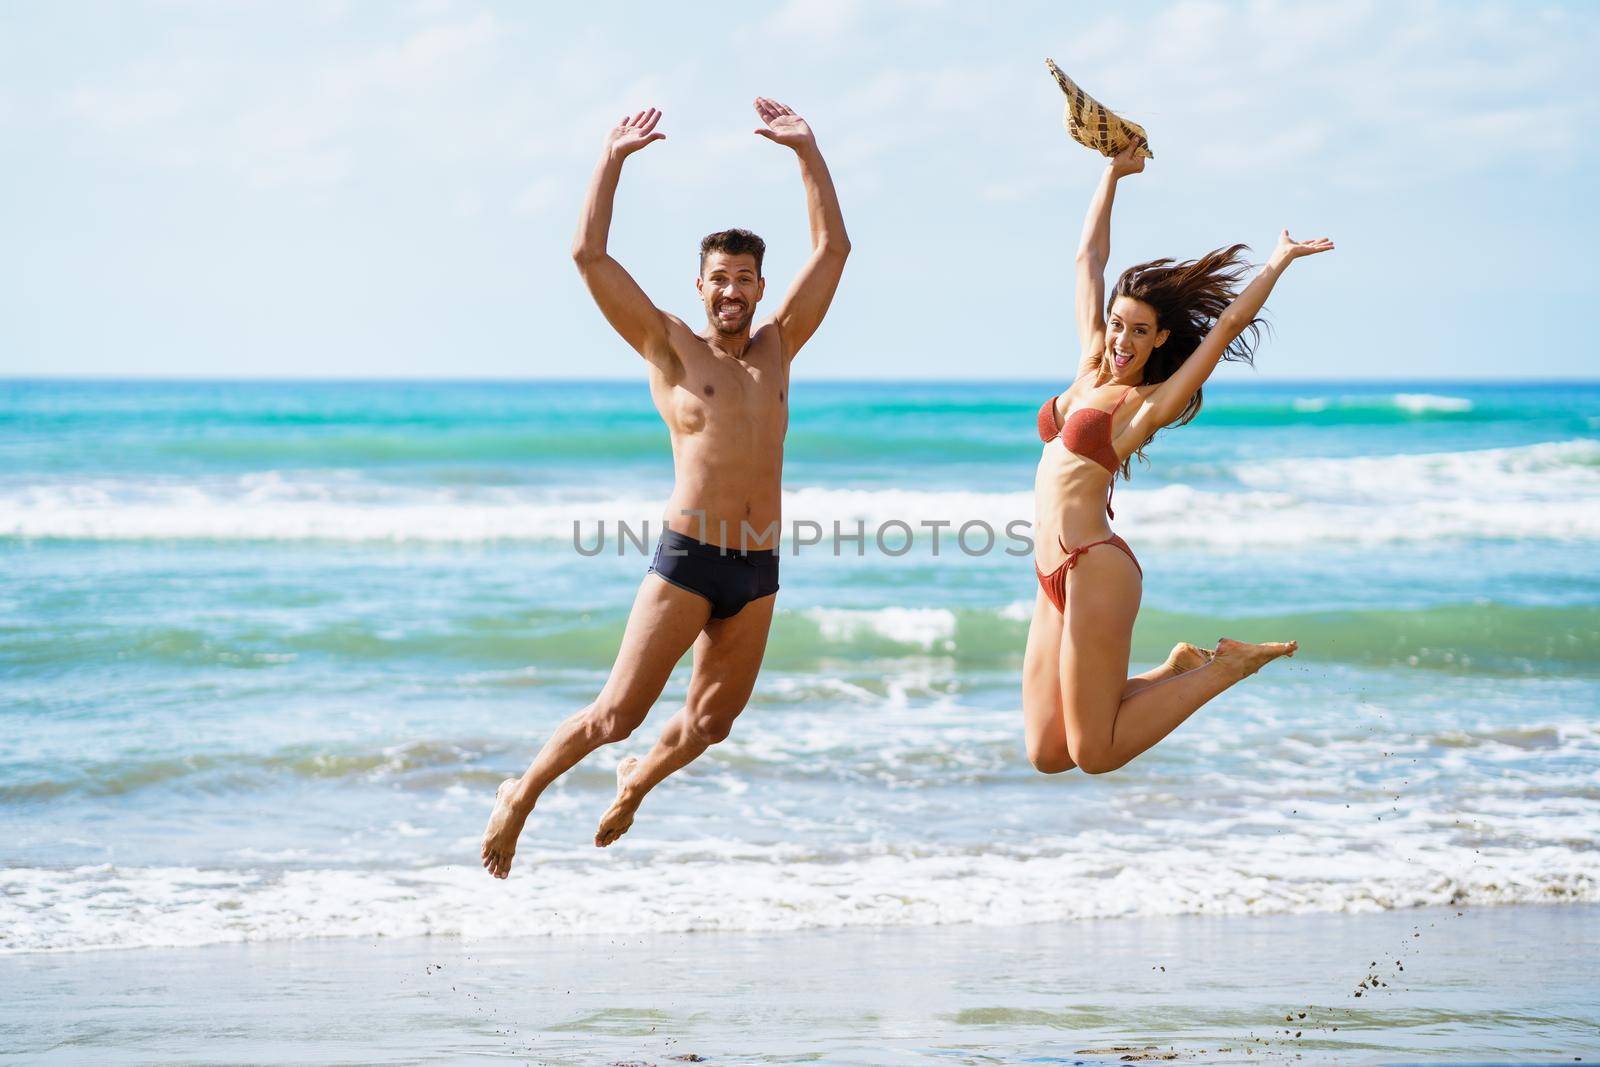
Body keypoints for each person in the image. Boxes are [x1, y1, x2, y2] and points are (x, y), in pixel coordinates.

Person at [480, 99, 849, 878]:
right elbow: (587, 255)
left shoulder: (780, 347)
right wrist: (612, 160)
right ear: (702, 283)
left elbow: (835, 246)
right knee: (617, 714)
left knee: (713, 722)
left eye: (745, 279)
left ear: (758, 286)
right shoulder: (670, 345)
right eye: (720, 278)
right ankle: (522, 792)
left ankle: (637, 779)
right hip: (688, 560)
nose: (732, 291)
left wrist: (807, 152)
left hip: (758, 567)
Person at [1023, 140, 1332, 775]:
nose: (1122, 340)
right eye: (1118, 324)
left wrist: (1277, 262)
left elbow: (1223, 330)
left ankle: (1227, 667)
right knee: (1050, 751)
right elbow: (1088, 257)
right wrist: (1112, 175)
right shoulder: (1087, 365)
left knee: (1097, 752)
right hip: (1049, 575)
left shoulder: (1146, 405)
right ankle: (1176, 668)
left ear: (1160, 338)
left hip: (1094, 566)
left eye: (1140, 331)